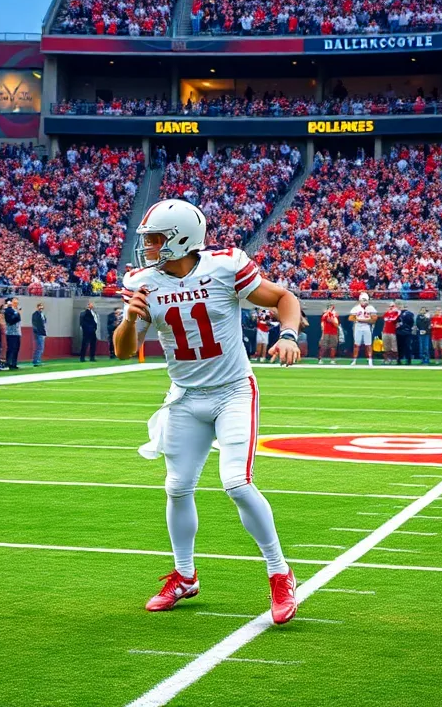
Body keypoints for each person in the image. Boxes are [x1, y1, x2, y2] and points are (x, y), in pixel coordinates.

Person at [114, 198, 298, 625]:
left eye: (157, 239)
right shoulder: (143, 281)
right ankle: (184, 575)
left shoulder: (224, 266)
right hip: (184, 395)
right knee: (176, 487)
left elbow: (283, 298)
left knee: (236, 481)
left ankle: (279, 572)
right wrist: (128, 318)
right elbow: (124, 350)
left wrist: (287, 334)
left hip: (233, 390)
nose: (151, 248)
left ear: (181, 239)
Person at [349, 293, 377, 367]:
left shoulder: (371, 308)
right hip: (358, 327)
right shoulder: (356, 308)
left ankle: (370, 360)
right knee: (356, 344)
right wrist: (366, 320)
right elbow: (350, 318)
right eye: (363, 300)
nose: (365, 302)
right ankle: (354, 360)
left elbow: (374, 319)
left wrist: (360, 320)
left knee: (368, 344)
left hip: (367, 326)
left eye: (366, 300)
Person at [3, 298, 23, 369]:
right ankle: (9, 363)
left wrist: (18, 313)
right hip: (11, 332)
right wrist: (18, 314)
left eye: (17, 302)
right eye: (14, 302)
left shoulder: (16, 311)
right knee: (11, 348)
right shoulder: (8, 310)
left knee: (16, 349)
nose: (16, 304)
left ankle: (14, 363)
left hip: (17, 332)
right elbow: (10, 321)